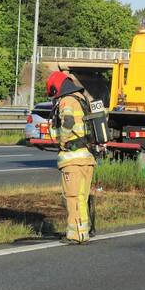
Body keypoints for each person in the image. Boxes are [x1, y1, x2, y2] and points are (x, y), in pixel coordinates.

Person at [46, 70, 97, 245]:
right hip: (87, 157)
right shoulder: (82, 99)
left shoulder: (67, 101)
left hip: (73, 159)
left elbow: (68, 122)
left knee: (73, 197)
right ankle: (82, 231)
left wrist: (62, 141)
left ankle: (76, 235)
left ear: (56, 88)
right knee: (82, 197)